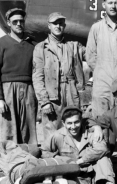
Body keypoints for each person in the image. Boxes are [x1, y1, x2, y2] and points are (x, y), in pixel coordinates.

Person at [0, 8, 38, 144]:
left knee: (29, 127)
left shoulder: (33, 45)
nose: (18, 24)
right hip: (8, 90)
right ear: (9, 23)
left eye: (21, 21)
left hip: (29, 90)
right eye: (15, 21)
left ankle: (29, 159)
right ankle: (10, 161)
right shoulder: (1, 43)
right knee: (9, 129)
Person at [41, 106, 116, 184]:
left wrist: (81, 160)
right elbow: (43, 151)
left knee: (104, 158)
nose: (73, 127)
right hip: (73, 176)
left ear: (81, 121)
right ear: (63, 123)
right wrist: (61, 160)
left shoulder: (91, 132)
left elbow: (102, 148)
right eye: (69, 123)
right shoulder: (57, 135)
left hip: (93, 174)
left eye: (76, 122)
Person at [33, 12, 85, 140]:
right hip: (52, 95)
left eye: (61, 23)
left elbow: (94, 53)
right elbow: (37, 77)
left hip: (72, 92)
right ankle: (53, 158)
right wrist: (44, 101)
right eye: (55, 23)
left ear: (65, 26)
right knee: (51, 130)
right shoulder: (41, 48)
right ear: (49, 26)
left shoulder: (73, 46)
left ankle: (73, 158)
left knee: (74, 127)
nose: (58, 26)